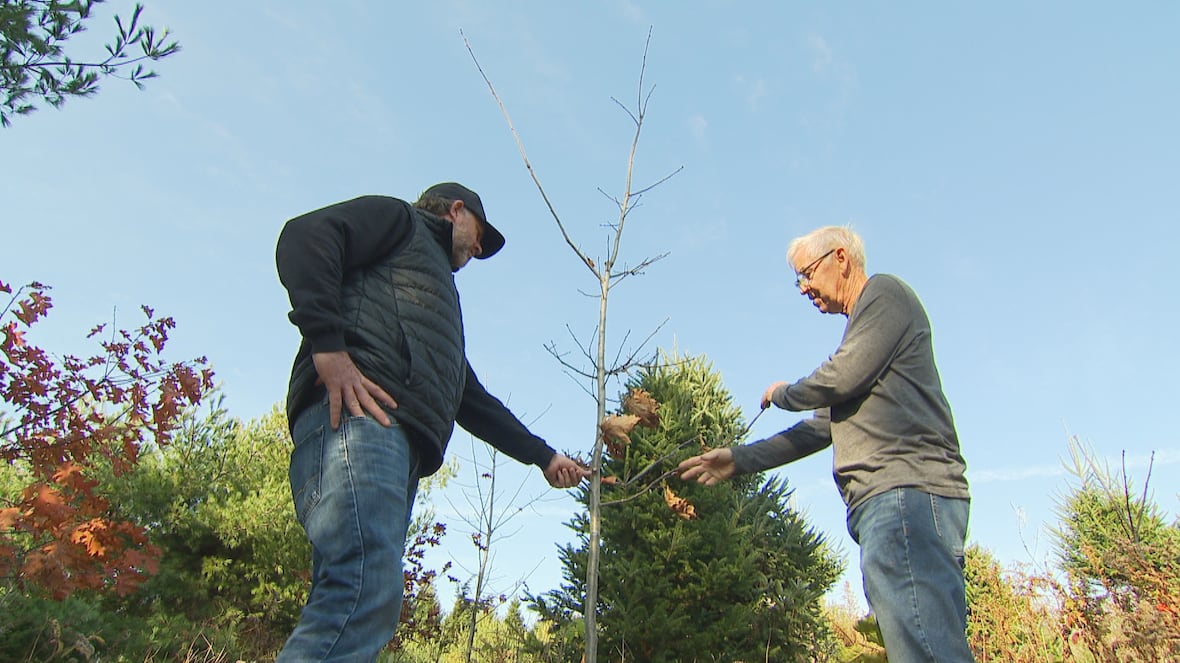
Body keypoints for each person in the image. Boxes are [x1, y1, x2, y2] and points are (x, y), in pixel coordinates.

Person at [275, 182, 588, 662]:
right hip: (358, 423)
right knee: (364, 588)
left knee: (355, 592)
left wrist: (543, 456)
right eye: (480, 234)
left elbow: (470, 397)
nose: (479, 248)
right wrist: (329, 348)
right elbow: (306, 236)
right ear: (455, 211)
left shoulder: (433, 290)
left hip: (395, 446)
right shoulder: (399, 221)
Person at [678, 226, 974, 662]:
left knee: (924, 651)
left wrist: (782, 394)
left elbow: (838, 377)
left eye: (807, 274)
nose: (803, 289)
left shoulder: (884, 296)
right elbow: (817, 429)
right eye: (797, 279)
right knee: (925, 645)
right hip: (892, 506)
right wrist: (737, 461)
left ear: (841, 258)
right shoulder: (863, 338)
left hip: (905, 496)